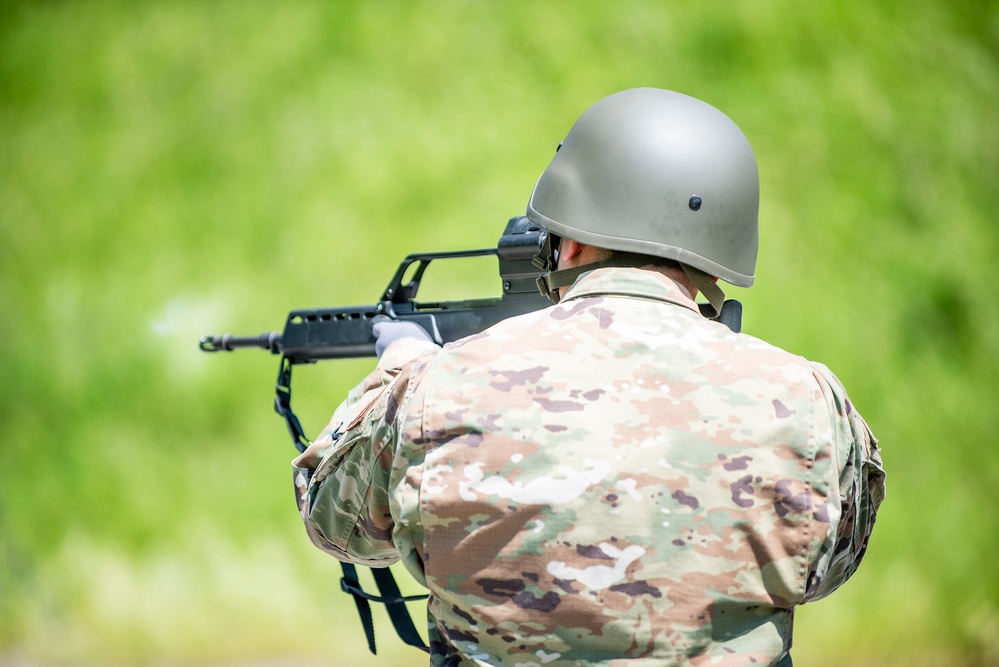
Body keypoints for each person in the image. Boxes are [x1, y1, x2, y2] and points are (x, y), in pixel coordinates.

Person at [291, 88, 886, 666]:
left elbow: (335, 521)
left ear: (571, 242)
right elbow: (829, 563)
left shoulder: (438, 386)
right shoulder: (806, 400)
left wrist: (400, 371)